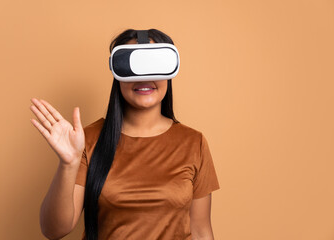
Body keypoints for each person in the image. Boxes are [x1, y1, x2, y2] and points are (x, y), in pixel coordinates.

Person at [30, 28, 220, 240]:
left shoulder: (194, 143)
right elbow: (53, 230)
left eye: (154, 66)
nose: (144, 77)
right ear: (116, 72)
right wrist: (68, 164)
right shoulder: (86, 140)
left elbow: (202, 231)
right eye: (132, 67)